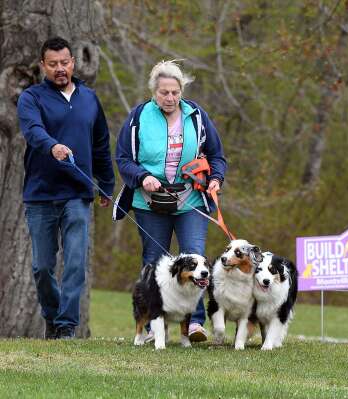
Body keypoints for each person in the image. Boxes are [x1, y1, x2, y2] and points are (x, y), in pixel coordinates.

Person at [114, 60, 227, 342]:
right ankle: (154, 324)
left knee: (195, 254)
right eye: (164, 92)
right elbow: (124, 159)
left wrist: (216, 179)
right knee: (154, 261)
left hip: (190, 199)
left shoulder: (197, 116)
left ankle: (195, 323)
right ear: (154, 91)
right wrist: (141, 178)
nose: (170, 98)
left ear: (182, 91)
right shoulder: (138, 117)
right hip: (150, 202)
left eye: (175, 92)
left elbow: (216, 156)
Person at [17, 37, 115, 339]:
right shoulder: (31, 97)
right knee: (42, 267)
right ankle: (52, 315)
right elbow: (33, 130)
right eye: (53, 64)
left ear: (73, 62)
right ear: (42, 66)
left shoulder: (89, 98)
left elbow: (100, 143)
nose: (60, 69)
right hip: (41, 194)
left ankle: (66, 327)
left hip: (77, 193)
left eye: (65, 62)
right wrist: (52, 146)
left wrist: (106, 184)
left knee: (75, 263)